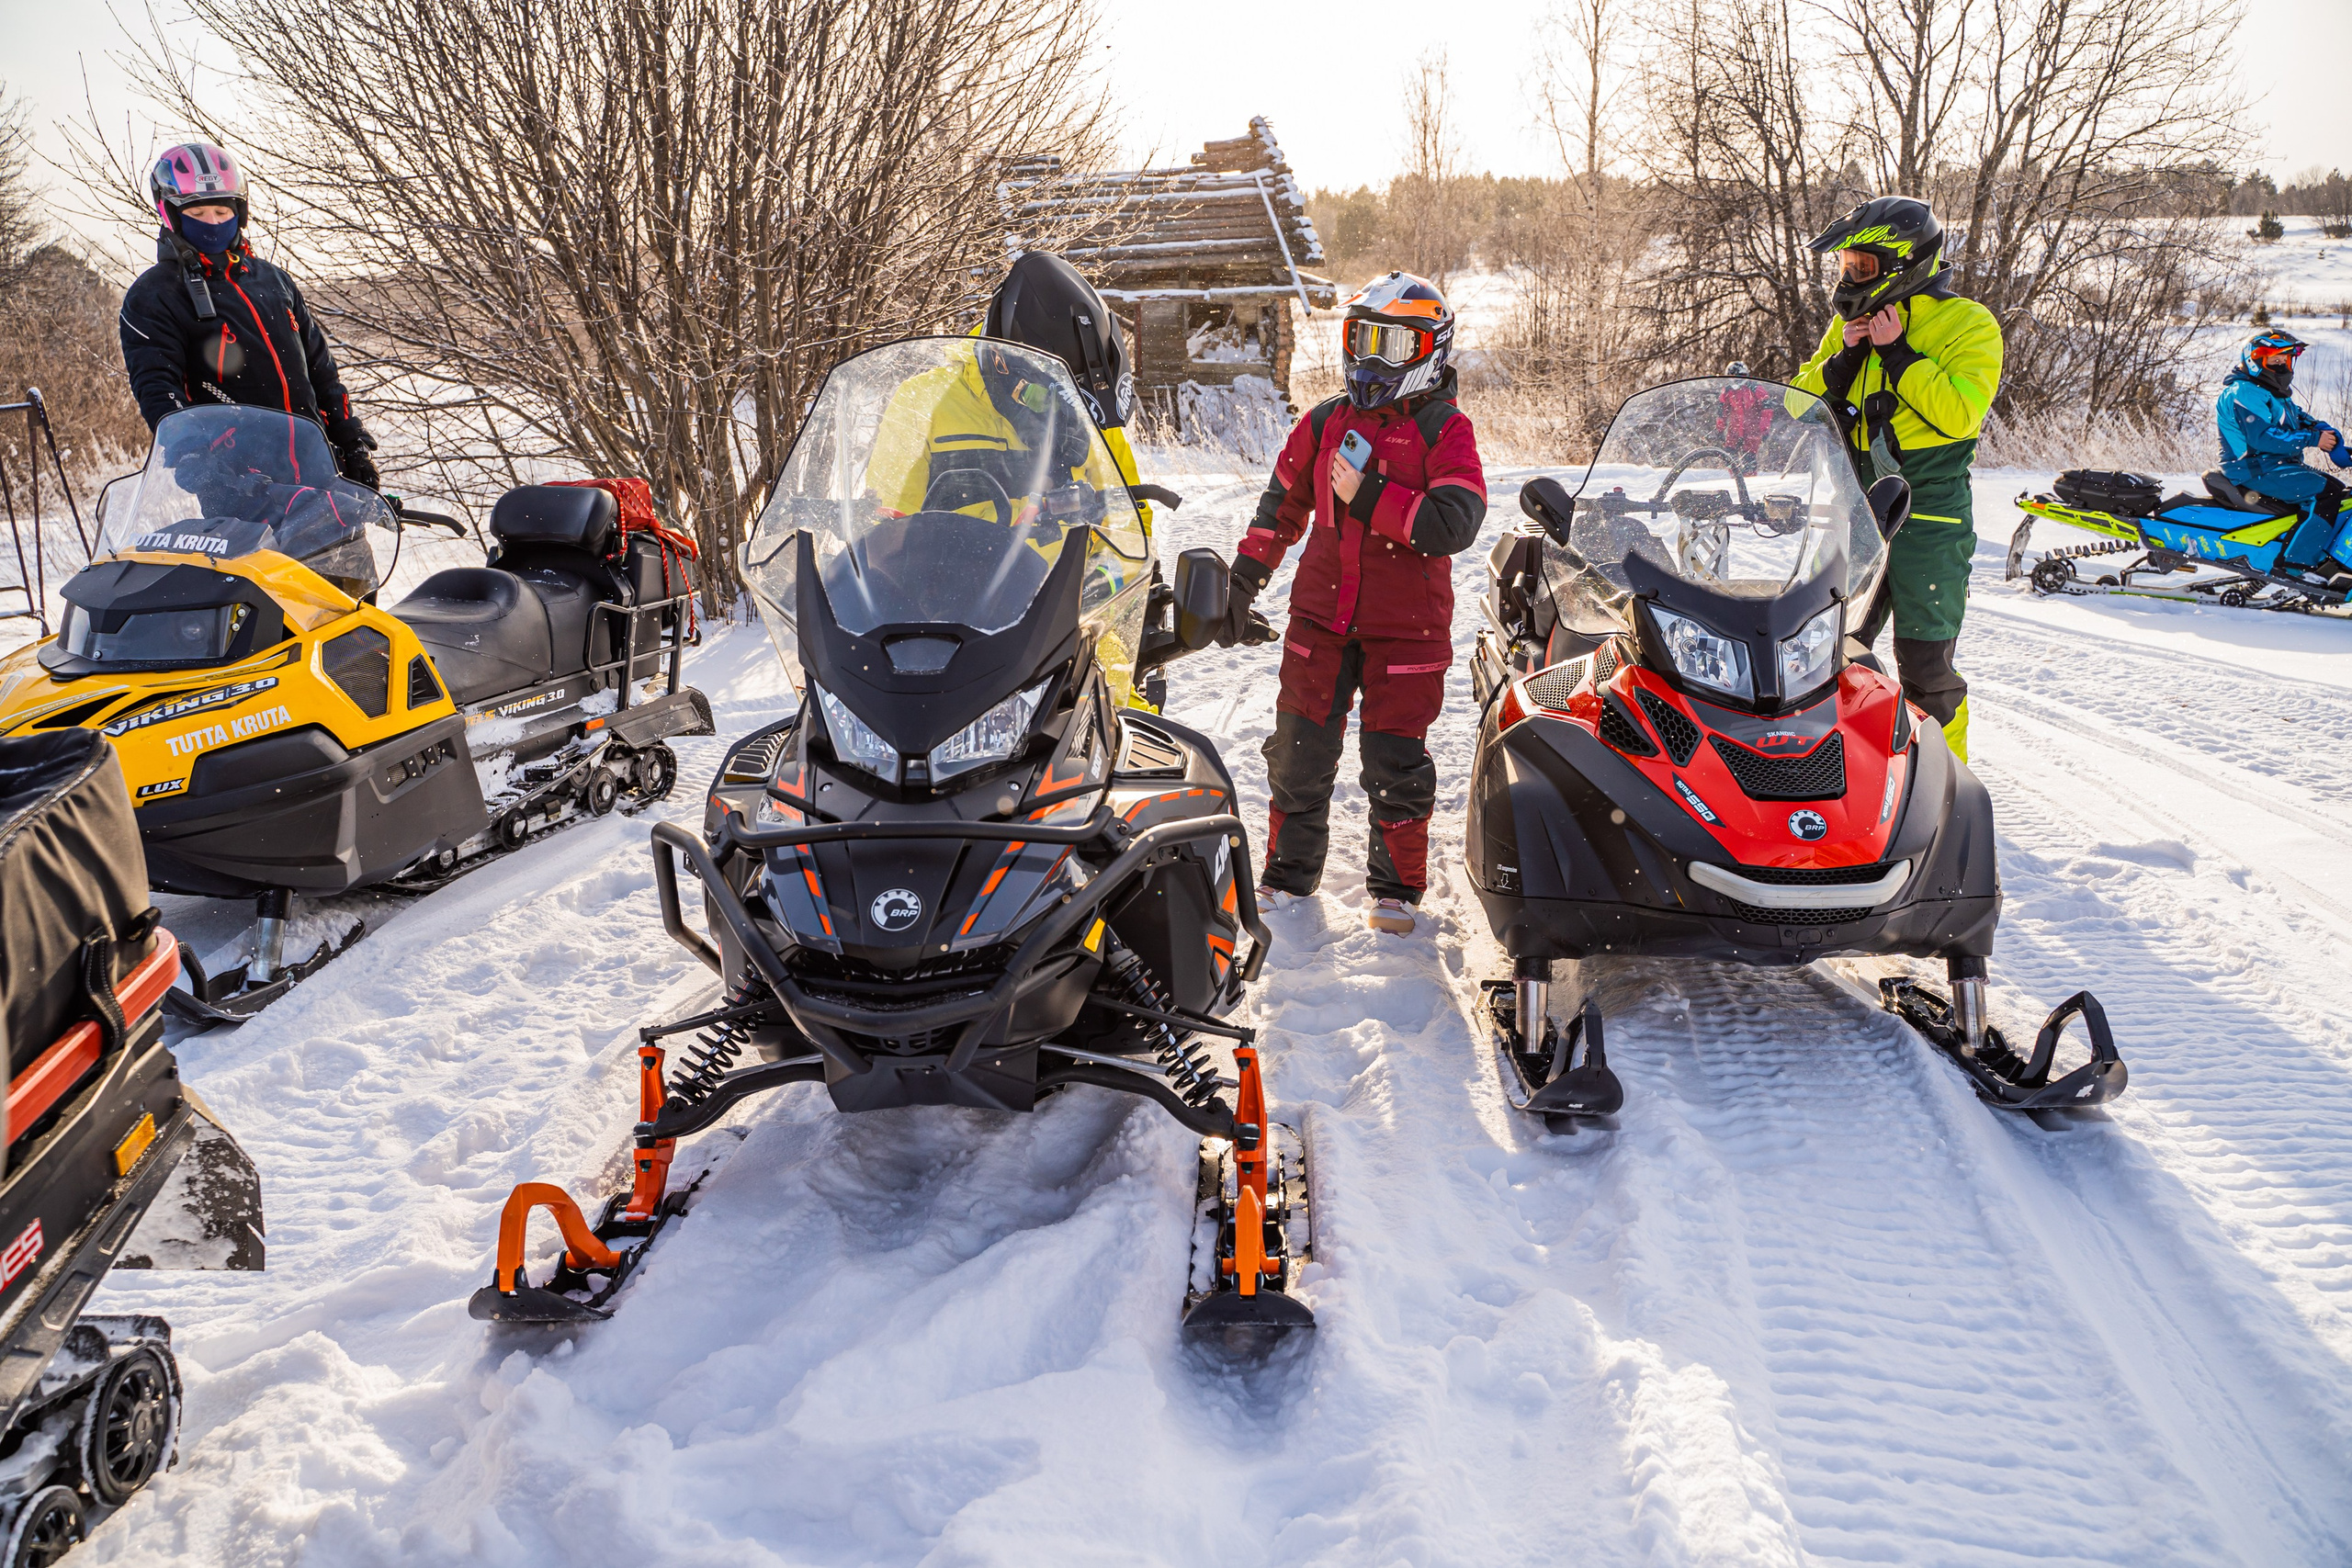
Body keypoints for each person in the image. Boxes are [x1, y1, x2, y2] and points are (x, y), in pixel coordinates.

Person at [1221, 271, 1487, 936]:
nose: (1371, 359)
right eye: (1362, 338)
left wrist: (1367, 496)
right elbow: (1278, 507)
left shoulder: (1445, 429)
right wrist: (1241, 581)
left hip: (1408, 631)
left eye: (1391, 346)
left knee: (1395, 763)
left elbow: (1456, 520)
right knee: (1296, 753)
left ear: (1429, 351)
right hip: (1320, 619)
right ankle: (1287, 877)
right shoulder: (1325, 421)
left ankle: (1394, 892)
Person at [1793, 196, 2001, 762]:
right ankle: (1820, 769)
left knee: (1926, 672)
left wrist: (1899, 355)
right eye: (1846, 267)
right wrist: (1842, 363)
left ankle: (1945, 786)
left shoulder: (1969, 324)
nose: (1850, 277)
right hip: (1853, 511)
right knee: (1810, 651)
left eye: (1862, 267)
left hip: (1928, 516)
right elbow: (1795, 407)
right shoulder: (1848, 326)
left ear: (1903, 261)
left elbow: (1960, 413)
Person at [119, 141, 379, 490]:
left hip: (323, 475)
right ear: (172, 215)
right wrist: (196, 460)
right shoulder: (154, 296)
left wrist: (352, 442)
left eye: (222, 212)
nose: (212, 223)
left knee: (349, 547)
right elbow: (158, 388)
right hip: (241, 488)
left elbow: (321, 372)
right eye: (197, 215)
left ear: (238, 212)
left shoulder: (274, 281)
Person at [2215, 328, 2352, 585]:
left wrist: (2330, 436)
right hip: (2253, 469)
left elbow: (2302, 420)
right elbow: (2264, 437)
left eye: (2285, 360)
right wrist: (2313, 439)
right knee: (2328, 493)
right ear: (2254, 360)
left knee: (2340, 493)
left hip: (2273, 465)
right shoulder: (2244, 392)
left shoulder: (2272, 394)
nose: (2281, 366)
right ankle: (2294, 565)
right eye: (2274, 360)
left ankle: (2320, 557)